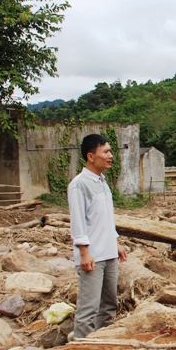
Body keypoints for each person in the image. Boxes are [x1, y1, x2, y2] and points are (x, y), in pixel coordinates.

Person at [68, 134, 127, 339]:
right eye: (106, 152)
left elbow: (105, 218)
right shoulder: (79, 184)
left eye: (110, 151)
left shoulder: (102, 182)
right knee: (89, 308)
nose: (110, 156)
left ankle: (102, 342)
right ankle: (81, 349)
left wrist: (116, 243)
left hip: (109, 253)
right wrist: (84, 253)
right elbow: (78, 222)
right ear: (91, 156)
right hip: (92, 256)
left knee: (109, 304)